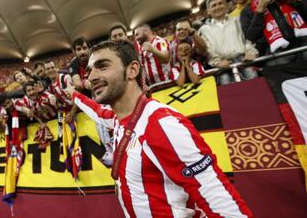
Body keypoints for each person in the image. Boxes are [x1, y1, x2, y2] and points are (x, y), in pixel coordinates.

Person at [68, 40, 252, 217]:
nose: (91, 78)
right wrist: (75, 95)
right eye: (90, 71)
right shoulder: (119, 119)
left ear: (132, 70)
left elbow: (221, 202)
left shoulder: (161, 123)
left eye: (103, 66)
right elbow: (98, 112)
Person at [240, 0, 307, 65]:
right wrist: (259, 11)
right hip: (277, 54)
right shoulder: (247, 10)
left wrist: (295, 0)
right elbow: (250, 37)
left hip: (303, 43)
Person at [200, 0, 258, 85]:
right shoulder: (204, 30)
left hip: (244, 60)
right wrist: (217, 62)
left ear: (226, 6)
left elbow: (247, 37)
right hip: (222, 66)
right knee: (230, 95)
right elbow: (208, 49)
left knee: (256, 87)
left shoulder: (237, 20)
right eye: (214, 5)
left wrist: (251, 52)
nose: (218, 7)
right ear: (208, 11)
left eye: (220, 3)